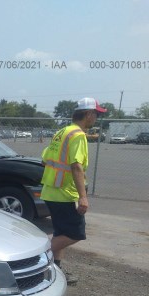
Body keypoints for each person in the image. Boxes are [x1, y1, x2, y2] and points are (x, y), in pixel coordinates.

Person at [40, 97, 107, 285]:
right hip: (64, 194)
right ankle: (35, 256)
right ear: (88, 114)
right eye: (96, 114)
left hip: (52, 191)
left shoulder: (62, 132)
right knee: (75, 233)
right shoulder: (77, 135)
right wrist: (83, 197)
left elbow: (45, 160)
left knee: (61, 232)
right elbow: (76, 166)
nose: (96, 118)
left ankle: (56, 270)